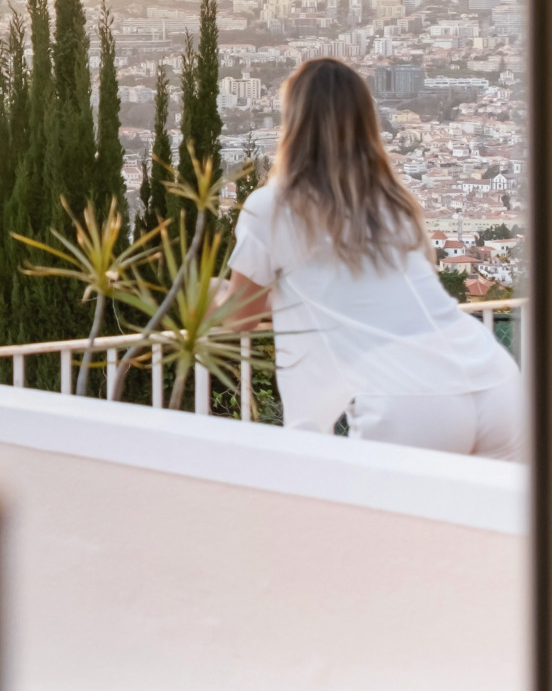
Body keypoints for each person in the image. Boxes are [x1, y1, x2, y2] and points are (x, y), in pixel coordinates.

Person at [222, 58, 525, 461]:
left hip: (411, 397)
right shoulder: (395, 204)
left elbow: (237, 319)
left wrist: (212, 299)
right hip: (493, 379)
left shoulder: (272, 207)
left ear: (293, 122)